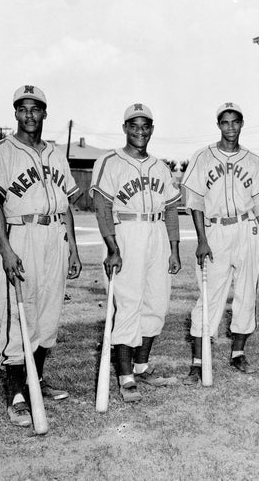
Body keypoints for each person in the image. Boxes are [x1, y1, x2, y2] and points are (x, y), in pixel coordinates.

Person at [0, 85, 81, 427]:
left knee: (48, 316)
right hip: (21, 234)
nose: (29, 115)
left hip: (56, 237)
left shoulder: (55, 153)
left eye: (35, 109)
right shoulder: (2, 150)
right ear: (16, 114)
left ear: (44, 113)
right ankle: (15, 394)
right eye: (22, 109)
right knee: (18, 315)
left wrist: (74, 251)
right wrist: (6, 249)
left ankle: (35, 380)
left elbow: (66, 205)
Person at [90, 103, 181, 402]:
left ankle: (142, 367)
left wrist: (174, 248)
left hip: (156, 233)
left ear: (151, 130)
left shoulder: (160, 166)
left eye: (145, 126)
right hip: (127, 232)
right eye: (134, 125)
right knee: (129, 304)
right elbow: (101, 206)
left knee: (156, 303)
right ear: (125, 128)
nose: (139, 131)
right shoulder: (110, 161)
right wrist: (113, 248)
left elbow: (170, 209)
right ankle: (125, 376)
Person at [181, 102, 259, 383]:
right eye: (225, 122)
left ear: (242, 124)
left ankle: (237, 354)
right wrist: (202, 240)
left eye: (235, 122)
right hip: (215, 230)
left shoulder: (253, 160)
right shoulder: (203, 157)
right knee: (209, 296)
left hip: (247, 229)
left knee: (246, 293)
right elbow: (194, 201)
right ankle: (198, 360)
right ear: (218, 125)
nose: (230, 127)